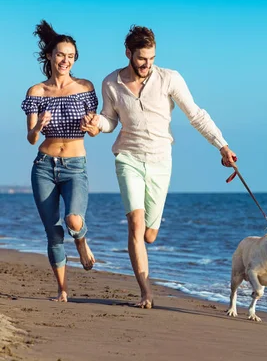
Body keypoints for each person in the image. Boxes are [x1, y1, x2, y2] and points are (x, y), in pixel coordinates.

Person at [82, 25, 236, 308]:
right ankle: (145, 292)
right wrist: (96, 125)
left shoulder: (169, 79)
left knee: (149, 235)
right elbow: (110, 120)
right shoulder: (111, 83)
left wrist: (222, 146)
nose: (147, 64)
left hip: (160, 161)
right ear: (128, 53)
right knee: (135, 225)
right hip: (128, 157)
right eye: (142, 58)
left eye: (151, 58)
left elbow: (197, 115)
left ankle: (145, 260)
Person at [21, 20, 98, 302]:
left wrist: (93, 127)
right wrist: (39, 125)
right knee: (53, 232)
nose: (65, 60)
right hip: (44, 166)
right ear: (50, 56)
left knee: (73, 219)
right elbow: (30, 138)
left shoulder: (85, 87)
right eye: (60, 54)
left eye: (71, 56)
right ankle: (63, 290)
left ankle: (81, 241)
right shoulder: (36, 92)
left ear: (74, 59)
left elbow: (94, 125)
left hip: (75, 165)